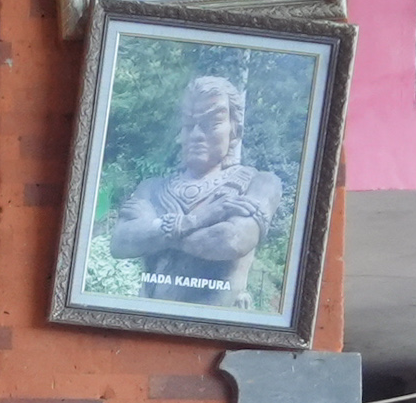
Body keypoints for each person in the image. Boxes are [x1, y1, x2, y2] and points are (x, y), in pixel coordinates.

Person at [105, 74, 285, 315]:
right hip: (148, 318)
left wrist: (154, 227)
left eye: (211, 124)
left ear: (235, 129)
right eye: (190, 124)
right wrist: (199, 220)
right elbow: (121, 243)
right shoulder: (152, 187)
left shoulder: (260, 183)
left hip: (217, 322)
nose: (197, 134)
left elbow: (230, 240)